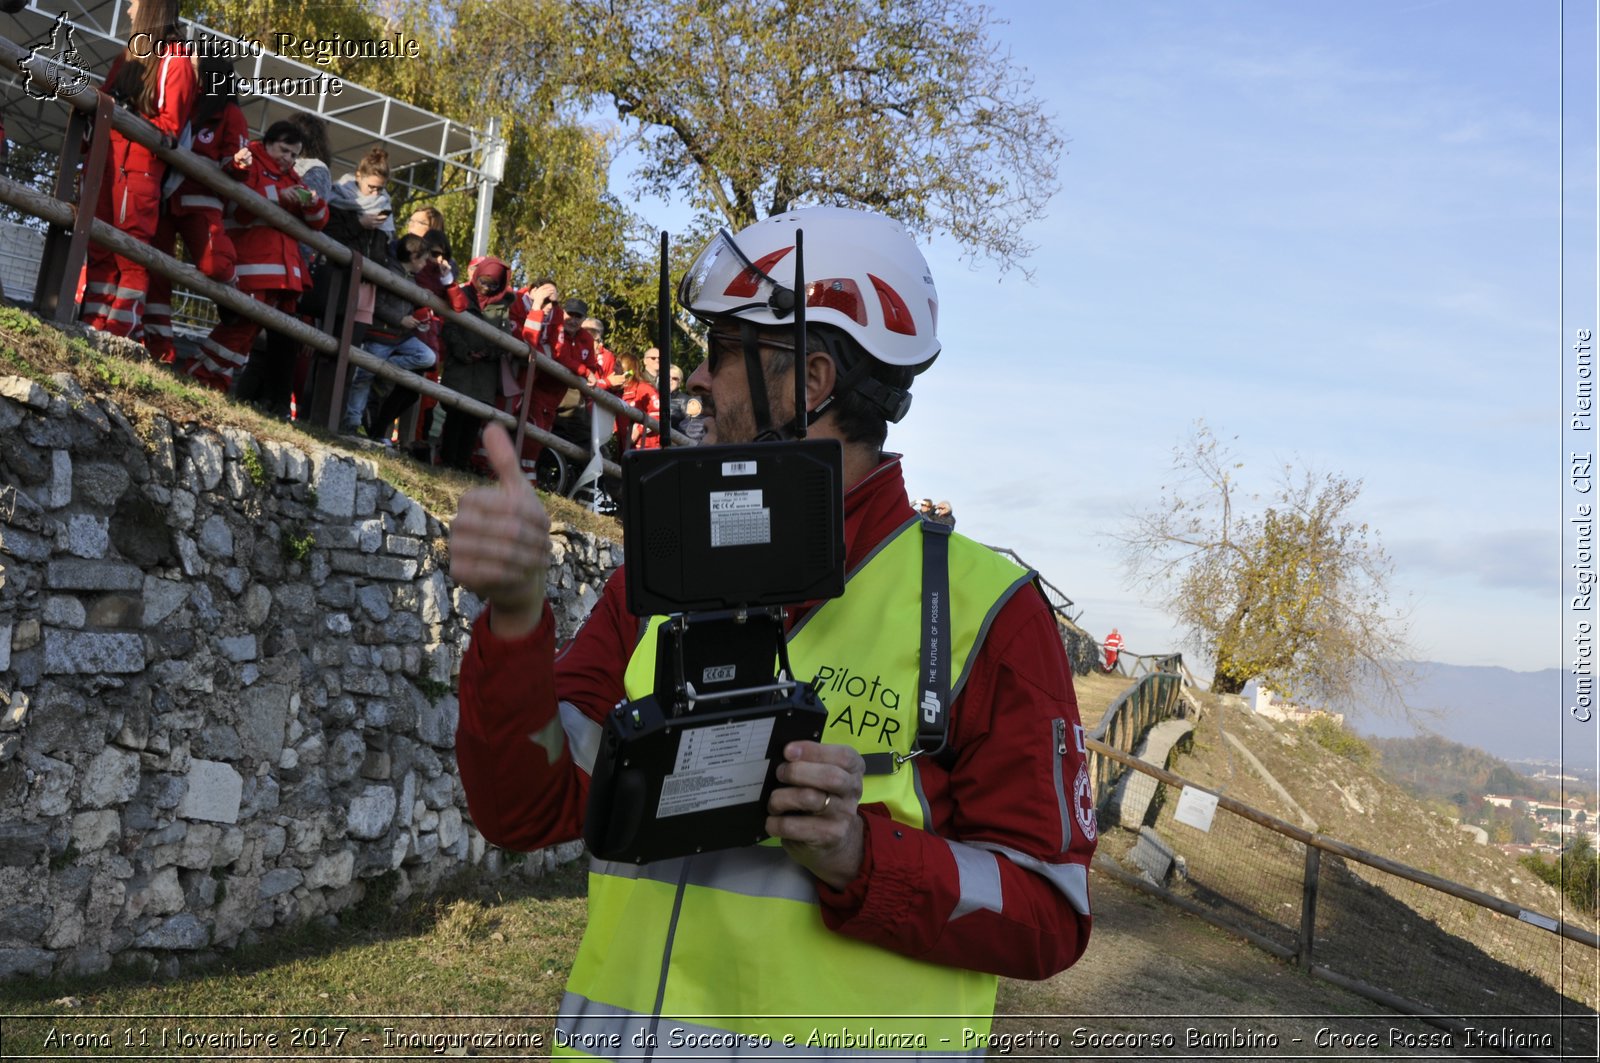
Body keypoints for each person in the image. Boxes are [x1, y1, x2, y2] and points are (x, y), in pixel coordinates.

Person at [449, 206, 1095, 1054]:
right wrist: (515, 615)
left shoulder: (988, 611)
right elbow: (520, 808)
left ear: (812, 378)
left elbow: (1048, 913)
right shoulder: (656, 583)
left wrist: (865, 855)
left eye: (722, 353)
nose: (702, 385)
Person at [80, 0, 196, 339]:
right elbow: (102, 101)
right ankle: (90, 326)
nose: (129, 9)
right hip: (106, 161)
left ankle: (119, 334)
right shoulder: (127, 55)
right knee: (99, 247)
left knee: (130, 255)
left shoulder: (177, 60)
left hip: (140, 170)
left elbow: (170, 127)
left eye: (134, 3)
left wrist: (128, 117)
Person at [188, 121, 326, 391]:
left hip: (277, 273)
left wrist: (313, 202)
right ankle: (198, 375)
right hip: (251, 265)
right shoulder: (250, 160)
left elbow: (319, 223)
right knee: (239, 328)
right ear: (267, 143)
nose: (288, 159)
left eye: (294, 155)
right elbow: (240, 205)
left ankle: (216, 384)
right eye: (284, 150)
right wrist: (281, 198)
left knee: (247, 335)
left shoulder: (290, 177)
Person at [144, 54, 248, 366]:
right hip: (163, 199)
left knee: (214, 264)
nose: (188, 68)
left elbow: (235, 163)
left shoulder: (230, 113)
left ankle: (235, 295)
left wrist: (239, 164)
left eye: (195, 66)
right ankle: (158, 351)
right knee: (156, 271)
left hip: (201, 202)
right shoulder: (186, 99)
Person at [340, 233, 436, 438]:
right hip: (380, 333)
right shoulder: (388, 272)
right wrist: (400, 319)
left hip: (401, 337)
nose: (426, 264)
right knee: (363, 377)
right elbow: (379, 304)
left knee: (427, 357)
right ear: (413, 256)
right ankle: (352, 422)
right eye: (424, 259)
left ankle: (383, 370)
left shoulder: (412, 278)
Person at [438, 255, 517, 471]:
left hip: (485, 373)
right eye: (483, 281)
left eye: (493, 285)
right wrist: (463, 352)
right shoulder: (461, 295)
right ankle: (446, 461)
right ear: (476, 276)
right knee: (454, 415)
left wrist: (488, 353)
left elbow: (505, 338)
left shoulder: (501, 307)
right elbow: (449, 327)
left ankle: (462, 464)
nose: (486, 288)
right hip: (460, 366)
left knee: (473, 420)